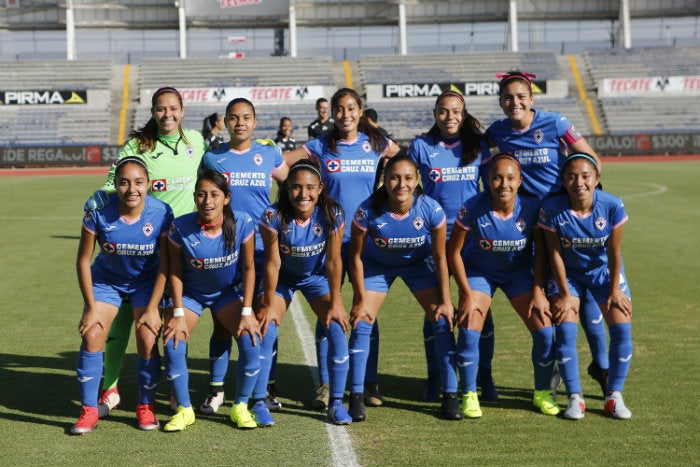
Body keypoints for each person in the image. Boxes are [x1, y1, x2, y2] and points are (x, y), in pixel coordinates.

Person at [484, 71, 609, 398]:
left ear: (531, 99)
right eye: (508, 98)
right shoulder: (497, 131)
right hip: (525, 226)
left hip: (561, 222)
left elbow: (592, 160)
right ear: (500, 102)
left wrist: (580, 198)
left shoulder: (555, 123)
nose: (515, 103)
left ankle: (600, 365)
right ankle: (553, 365)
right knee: (545, 299)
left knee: (581, 299)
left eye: (520, 96)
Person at [84, 86, 207, 418]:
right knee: (123, 320)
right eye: (160, 109)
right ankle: (109, 390)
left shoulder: (197, 141)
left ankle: (168, 388)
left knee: (170, 319)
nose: (167, 115)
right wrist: (100, 193)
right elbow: (114, 182)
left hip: (184, 246)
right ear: (152, 112)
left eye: (173, 109)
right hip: (143, 246)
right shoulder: (137, 146)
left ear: (183, 110)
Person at [284, 87, 403, 411]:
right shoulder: (321, 145)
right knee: (329, 312)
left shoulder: (376, 143)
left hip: (365, 241)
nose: (345, 114)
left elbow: (406, 159)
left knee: (367, 312)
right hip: (331, 242)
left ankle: (367, 382)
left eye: (351, 108)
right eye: (340, 108)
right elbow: (282, 165)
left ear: (360, 110)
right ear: (332, 112)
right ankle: (327, 383)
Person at [348, 155, 460, 421]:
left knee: (443, 318)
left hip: (418, 266)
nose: (401, 184)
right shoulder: (367, 211)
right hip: (377, 267)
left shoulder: (431, 210)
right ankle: (355, 396)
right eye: (395, 177)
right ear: (385, 180)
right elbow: (355, 256)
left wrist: (445, 300)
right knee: (363, 320)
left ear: (417, 180)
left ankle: (451, 396)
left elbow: (441, 257)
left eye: (408, 178)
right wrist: (360, 299)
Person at [447, 154, 555, 419]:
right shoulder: (472, 207)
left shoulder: (531, 207)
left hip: (518, 274)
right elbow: (453, 252)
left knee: (545, 331)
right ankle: (470, 393)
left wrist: (539, 291)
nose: (503, 184)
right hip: (479, 273)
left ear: (519, 181)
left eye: (510, 178)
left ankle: (542, 392)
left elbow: (541, 253)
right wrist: (465, 292)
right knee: (470, 326)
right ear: (487, 179)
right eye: (496, 177)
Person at [199, 97, 289, 415]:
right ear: (225, 121)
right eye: (234, 118)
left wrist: (280, 216)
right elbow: (202, 196)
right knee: (223, 325)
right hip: (225, 252)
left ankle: (265, 389)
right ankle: (216, 390)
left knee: (264, 319)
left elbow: (289, 184)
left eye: (246, 117)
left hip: (262, 251)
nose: (240, 123)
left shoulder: (268, 154)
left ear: (255, 121)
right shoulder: (213, 157)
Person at [407, 90, 497, 403]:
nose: (450, 117)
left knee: (477, 306)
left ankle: (483, 375)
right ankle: (438, 376)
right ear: (435, 113)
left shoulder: (478, 147)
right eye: (444, 111)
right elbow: (408, 187)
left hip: (472, 242)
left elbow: (491, 190)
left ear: (463, 113)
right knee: (437, 310)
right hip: (434, 240)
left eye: (456, 111)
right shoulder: (421, 146)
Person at [71, 157, 173, 435]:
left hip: (146, 284)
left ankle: (145, 405)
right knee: (92, 333)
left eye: (138, 182)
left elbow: (166, 263)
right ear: (114, 184)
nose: (132, 189)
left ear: (148, 184)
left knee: (148, 336)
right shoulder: (98, 211)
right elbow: (83, 260)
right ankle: (89, 410)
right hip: (107, 282)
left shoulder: (162, 212)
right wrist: (91, 307)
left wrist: (154, 307)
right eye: (124, 182)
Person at [164, 169, 263, 431]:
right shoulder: (180, 227)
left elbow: (250, 268)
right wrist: (177, 313)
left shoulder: (242, 222)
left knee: (251, 340)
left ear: (226, 198)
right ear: (195, 198)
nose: (207, 201)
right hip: (191, 296)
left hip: (227, 295)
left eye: (214, 195)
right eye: (201, 195)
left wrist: (246, 311)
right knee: (173, 342)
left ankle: (240, 407)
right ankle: (185, 410)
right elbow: (174, 272)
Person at [538, 153, 633, 420]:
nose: (579, 182)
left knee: (622, 328)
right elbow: (554, 253)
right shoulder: (552, 208)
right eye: (571, 176)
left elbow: (614, 251)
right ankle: (575, 398)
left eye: (585, 176)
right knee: (566, 330)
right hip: (567, 275)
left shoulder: (612, 205)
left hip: (604, 274)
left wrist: (615, 290)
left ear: (596, 179)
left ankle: (614, 396)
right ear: (564, 181)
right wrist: (565, 294)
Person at [257, 159, 352, 425]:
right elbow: (273, 262)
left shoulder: (333, 214)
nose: (303, 194)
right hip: (283, 279)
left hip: (315, 278)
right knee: (267, 328)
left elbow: (334, 261)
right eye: (296, 187)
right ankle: (259, 399)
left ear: (320, 188)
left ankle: (335, 402)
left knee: (336, 327)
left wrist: (336, 302)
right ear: (287, 188)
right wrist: (266, 302)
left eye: (310, 187)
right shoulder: (272, 216)